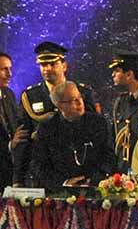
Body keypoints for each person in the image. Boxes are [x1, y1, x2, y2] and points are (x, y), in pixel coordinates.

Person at [13, 42, 100, 185]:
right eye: (43, 65)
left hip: (79, 167)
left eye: (53, 64)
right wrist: (18, 179)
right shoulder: (30, 96)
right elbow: (24, 140)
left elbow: (95, 131)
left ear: (64, 66)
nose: (47, 69)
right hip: (44, 172)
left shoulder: (83, 93)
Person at [30, 81, 114, 189]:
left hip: (96, 186)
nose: (79, 102)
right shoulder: (47, 128)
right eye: (73, 100)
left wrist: (95, 179)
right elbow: (38, 164)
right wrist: (64, 183)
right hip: (60, 190)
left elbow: (109, 156)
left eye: (79, 97)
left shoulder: (98, 123)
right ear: (60, 105)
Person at [0, 52, 19, 189]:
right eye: (3, 69)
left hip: (9, 173)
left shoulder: (9, 94)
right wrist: (9, 145)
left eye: (10, 69)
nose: (9, 74)